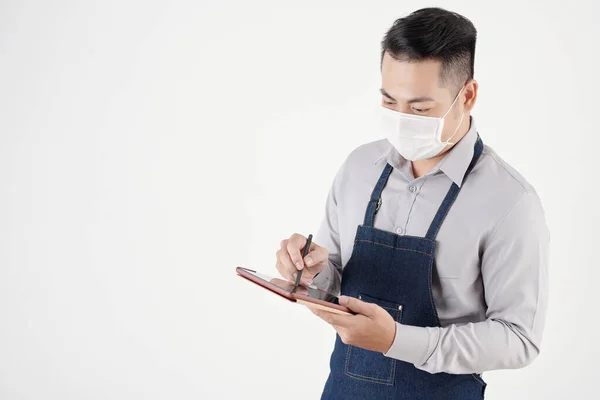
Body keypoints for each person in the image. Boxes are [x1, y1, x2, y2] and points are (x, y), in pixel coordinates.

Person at [275, 7, 549, 400]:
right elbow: (333, 281)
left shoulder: (509, 202)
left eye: (420, 109)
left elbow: (520, 338)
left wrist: (397, 341)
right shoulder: (358, 168)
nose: (401, 121)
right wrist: (312, 271)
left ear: (467, 96)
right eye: (389, 102)